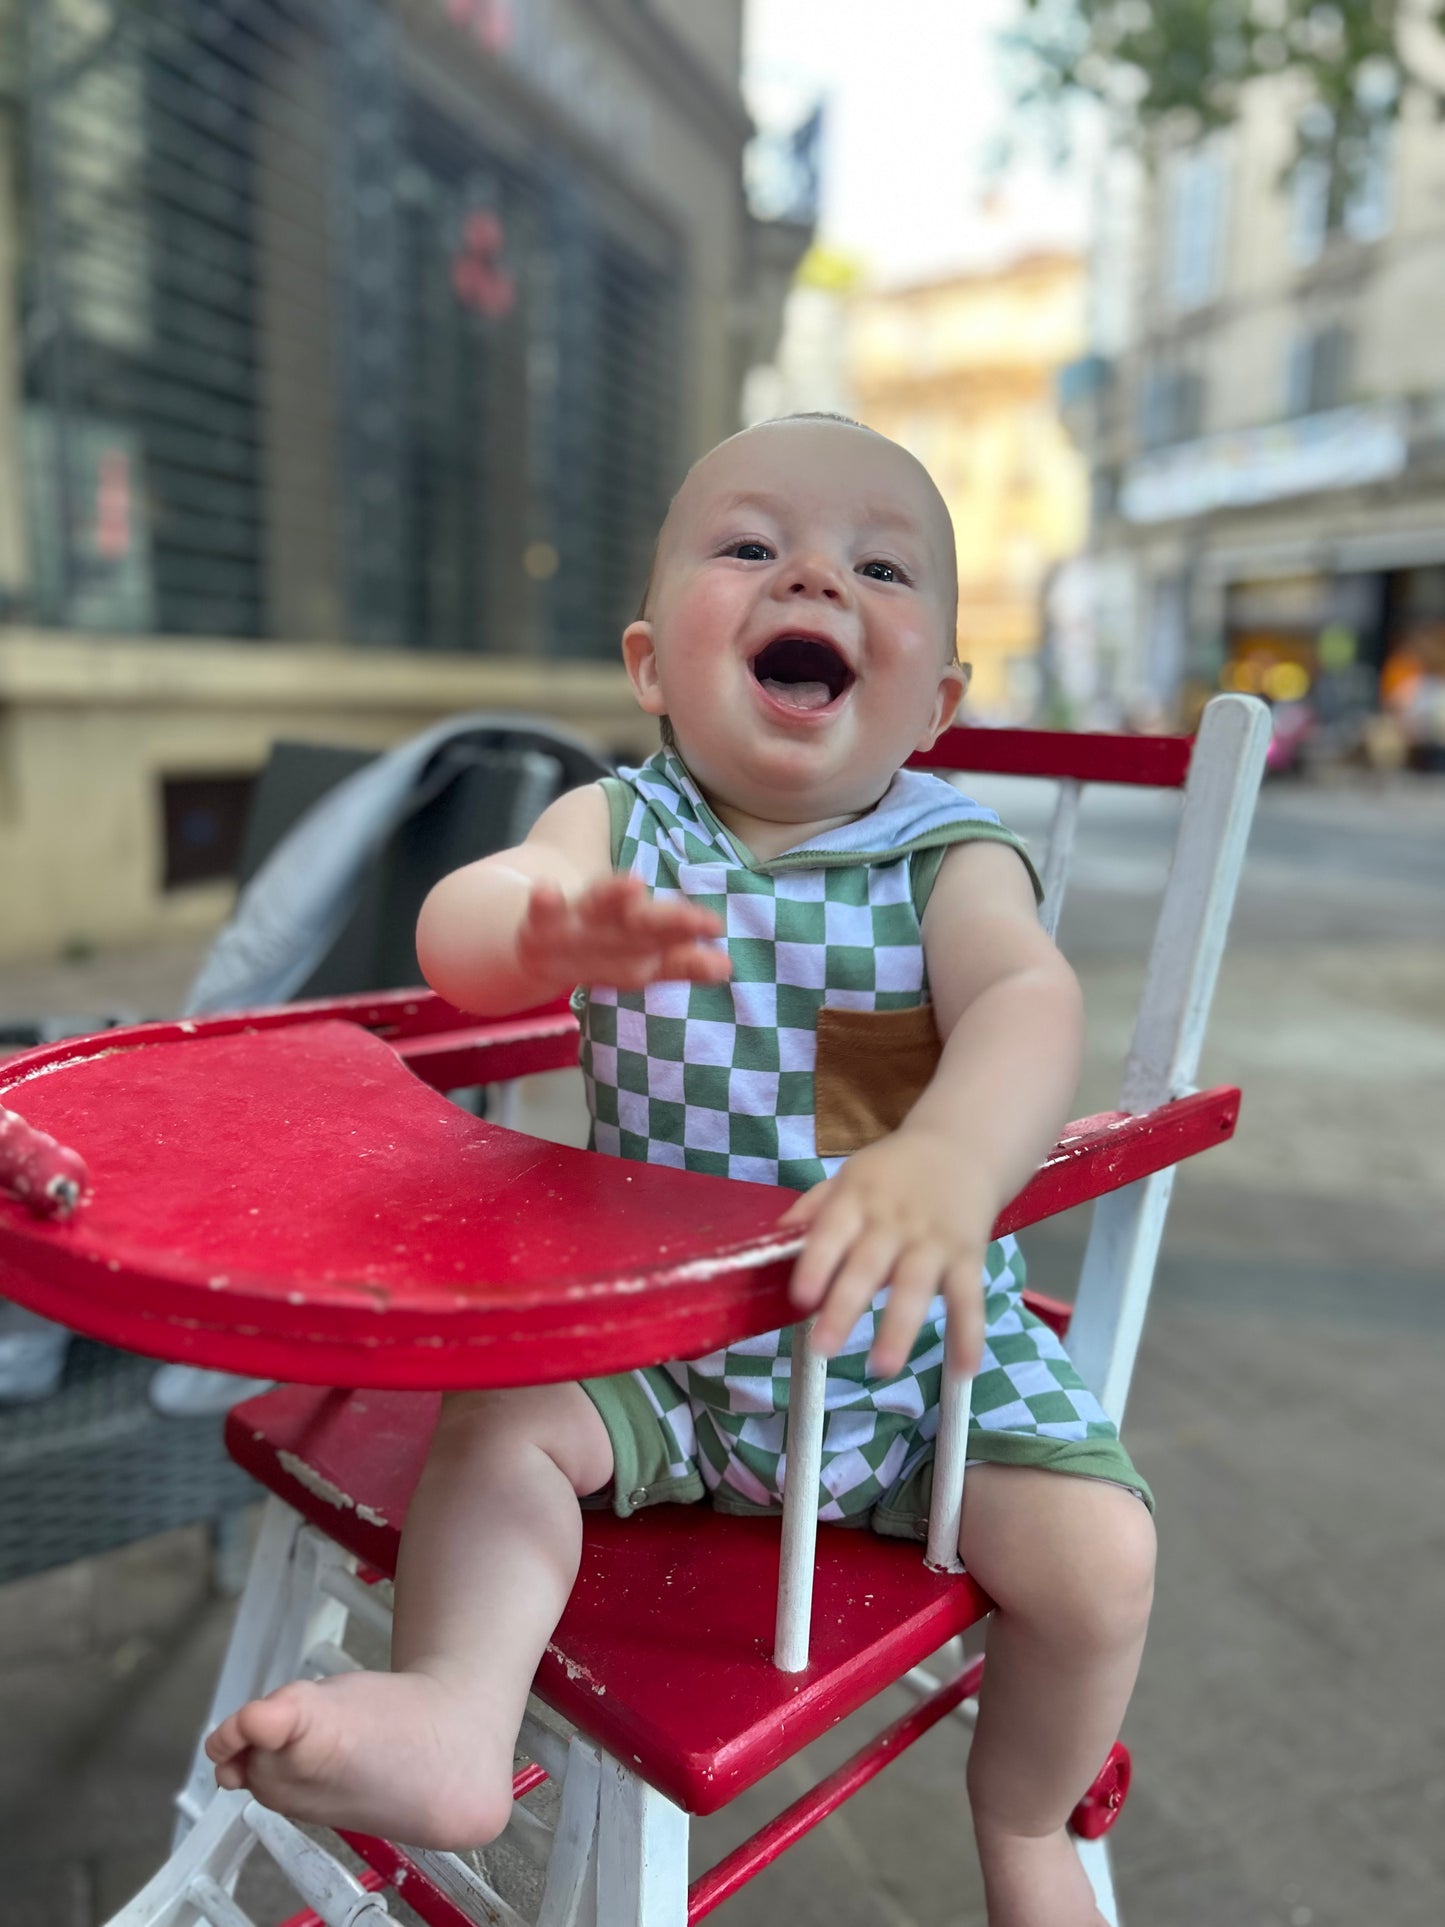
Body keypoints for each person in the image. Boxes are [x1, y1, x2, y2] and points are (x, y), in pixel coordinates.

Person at [206, 415, 1156, 1927]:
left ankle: (1028, 1824)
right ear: (652, 668)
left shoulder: (948, 860)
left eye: (879, 565)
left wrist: (947, 1165)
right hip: (658, 1353)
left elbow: (1030, 1007)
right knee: (501, 1422)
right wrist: (526, 933)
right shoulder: (620, 822)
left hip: (912, 1368)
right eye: (751, 547)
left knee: (1101, 1562)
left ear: (938, 706)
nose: (816, 580)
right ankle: (457, 1709)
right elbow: (477, 908)